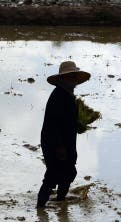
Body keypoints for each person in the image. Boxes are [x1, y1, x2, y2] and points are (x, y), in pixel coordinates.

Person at [37, 61, 91, 209]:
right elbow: (53, 124)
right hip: (55, 142)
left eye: (74, 77)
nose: (73, 80)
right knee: (52, 175)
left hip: (66, 142)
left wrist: (80, 124)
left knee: (68, 172)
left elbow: (68, 121)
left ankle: (61, 203)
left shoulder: (69, 96)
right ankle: (40, 209)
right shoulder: (59, 96)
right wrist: (59, 147)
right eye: (69, 77)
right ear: (62, 79)